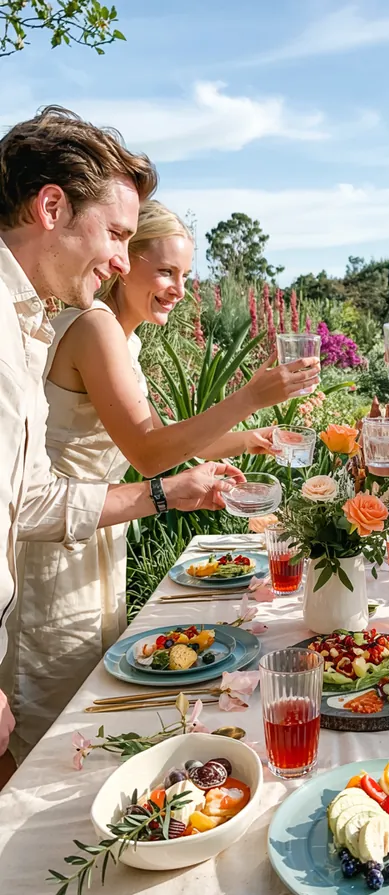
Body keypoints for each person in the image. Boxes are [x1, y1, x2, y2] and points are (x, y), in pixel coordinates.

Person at [6, 199, 318, 759]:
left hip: (95, 535)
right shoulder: (95, 327)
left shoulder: (120, 336)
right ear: (127, 263)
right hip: (60, 547)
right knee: (53, 729)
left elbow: (158, 435)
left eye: (185, 275)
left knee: (86, 714)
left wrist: (249, 436)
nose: (178, 289)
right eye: (166, 271)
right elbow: (151, 456)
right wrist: (250, 397)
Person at [0, 106, 243, 774]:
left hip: (75, 551)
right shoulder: (62, 326)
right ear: (51, 207)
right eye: (115, 234)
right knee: (51, 759)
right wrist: (249, 399)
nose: (116, 260)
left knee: (57, 754)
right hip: (56, 579)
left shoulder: (29, 324)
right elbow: (150, 449)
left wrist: (171, 491)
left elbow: (28, 498)